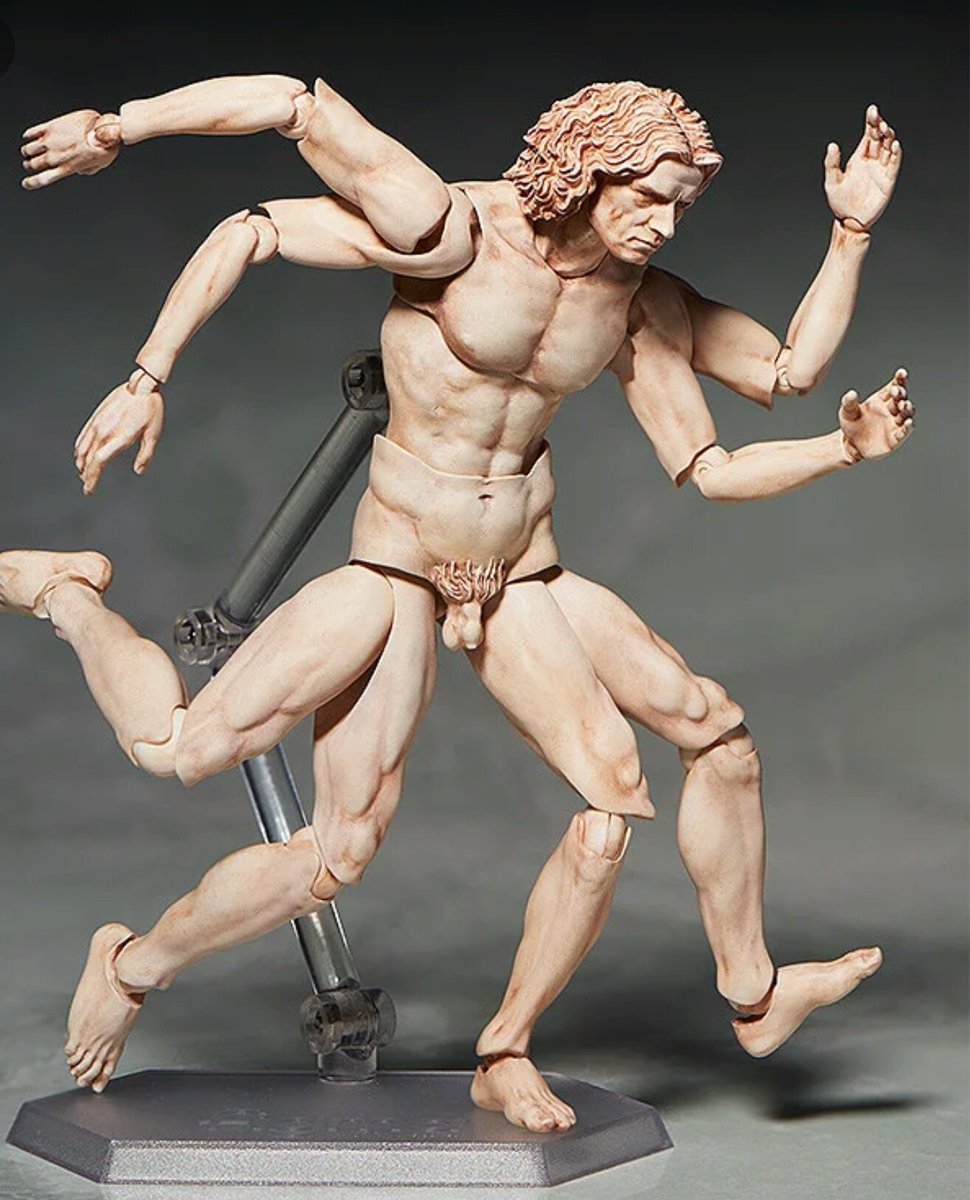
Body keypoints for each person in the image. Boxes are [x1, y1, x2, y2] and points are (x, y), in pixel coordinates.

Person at [4, 78, 912, 1132]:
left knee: (694, 747)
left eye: (680, 207)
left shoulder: (637, 301)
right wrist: (129, 211)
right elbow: (277, 158)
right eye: (648, 198)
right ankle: (72, 626)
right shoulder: (451, 229)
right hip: (395, 570)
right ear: (590, 171)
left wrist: (849, 253)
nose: (663, 226)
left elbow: (775, 389)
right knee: (226, 779)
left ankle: (677, 1012)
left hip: (521, 571)